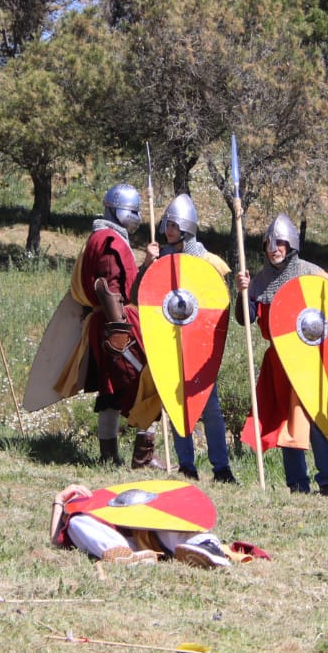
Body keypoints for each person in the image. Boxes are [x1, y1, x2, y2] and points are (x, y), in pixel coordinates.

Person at [236, 214, 328, 495]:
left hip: (308, 359)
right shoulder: (259, 281)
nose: (274, 248)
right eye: (270, 243)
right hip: (278, 362)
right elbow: (244, 320)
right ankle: (297, 483)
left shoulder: (309, 272)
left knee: (316, 421)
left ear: (291, 245)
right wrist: (243, 294)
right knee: (285, 420)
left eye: (280, 242)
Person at [141, 194, 236, 484]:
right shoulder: (161, 260)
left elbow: (220, 306)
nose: (168, 229)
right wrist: (148, 265)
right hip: (170, 342)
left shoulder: (211, 263)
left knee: (210, 408)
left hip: (200, 343)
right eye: (166, 224)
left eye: (173, 224)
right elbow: (140, 298)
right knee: (176, 403)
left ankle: (221, 468)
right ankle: (186, 465)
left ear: (186, 227)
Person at [72, 184, 162, 468]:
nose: (134, 216)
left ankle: (108, 457)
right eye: (131, 211)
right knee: (147, 381)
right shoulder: (111, 241)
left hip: (105, 326)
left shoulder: (99, 237)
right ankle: (143, 457)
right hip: (117, 326)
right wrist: (121, 332)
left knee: (109, 391)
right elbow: (111, 290)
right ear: (115, 209)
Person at [49, 482, 235, 568]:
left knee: (164, 524)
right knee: (76, 521)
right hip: (125, 546)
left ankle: (207, 548)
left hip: (149, 535)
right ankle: (124, 557)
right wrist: (58, 501)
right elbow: (55, 541)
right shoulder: (81, 520)